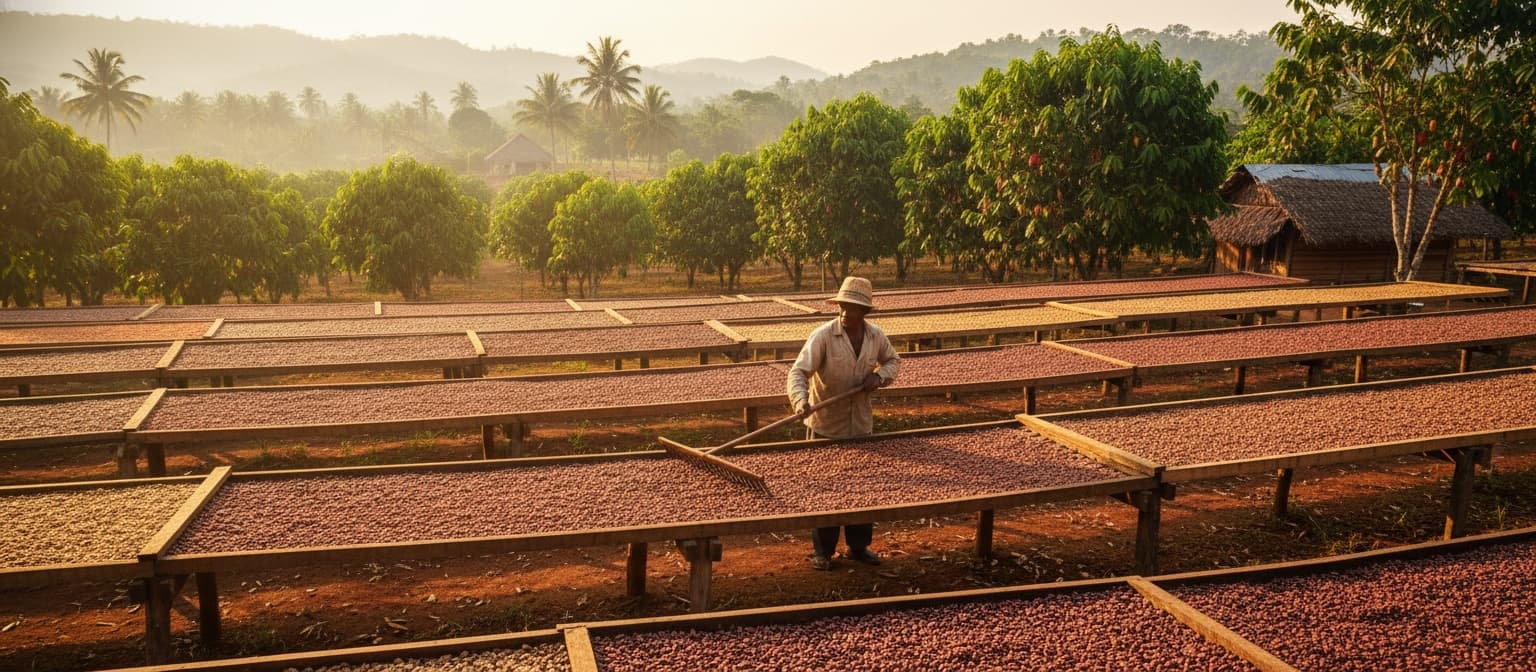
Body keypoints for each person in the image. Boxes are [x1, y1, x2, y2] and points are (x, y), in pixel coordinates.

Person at [786, 276, 900, 570]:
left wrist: (879, 377)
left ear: (865, 312)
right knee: (826, 489)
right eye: (843, 306)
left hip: (859, 426)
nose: (847, 312)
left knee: (862, 487)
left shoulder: (876, 337)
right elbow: (798, 373)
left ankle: (858, 547)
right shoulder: (823, 336)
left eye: (854, 308)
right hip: (826, 426)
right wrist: (800, 401)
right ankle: (823, 552)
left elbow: (893, 361)